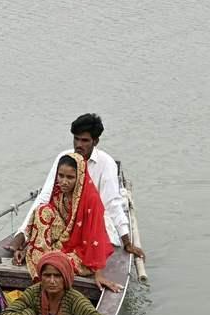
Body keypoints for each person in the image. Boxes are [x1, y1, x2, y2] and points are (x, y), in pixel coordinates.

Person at [8, 112, 146, 262]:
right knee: (43, 211)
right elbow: (45, 196)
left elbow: (112, 204)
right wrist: (22, 234)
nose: (79, 145)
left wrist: (127, 242)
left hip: (89, 225)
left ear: (96, 141)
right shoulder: (64, 158)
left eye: (85, 140)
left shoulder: (106, 164)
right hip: (63, 223)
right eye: (76, 139)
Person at [13, 152, 120, 293]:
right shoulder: (58, 192)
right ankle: (39, 256)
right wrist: (26, 248)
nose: (64, 181)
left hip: (82, 251)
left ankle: (42, 266)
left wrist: (98, 274)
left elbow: (96, 236)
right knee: (42, 210)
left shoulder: (91, 199)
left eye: (70, 177)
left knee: (57, 264)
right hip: (62, 242)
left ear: (80, 177)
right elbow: (47, 224)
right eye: (61, 176)